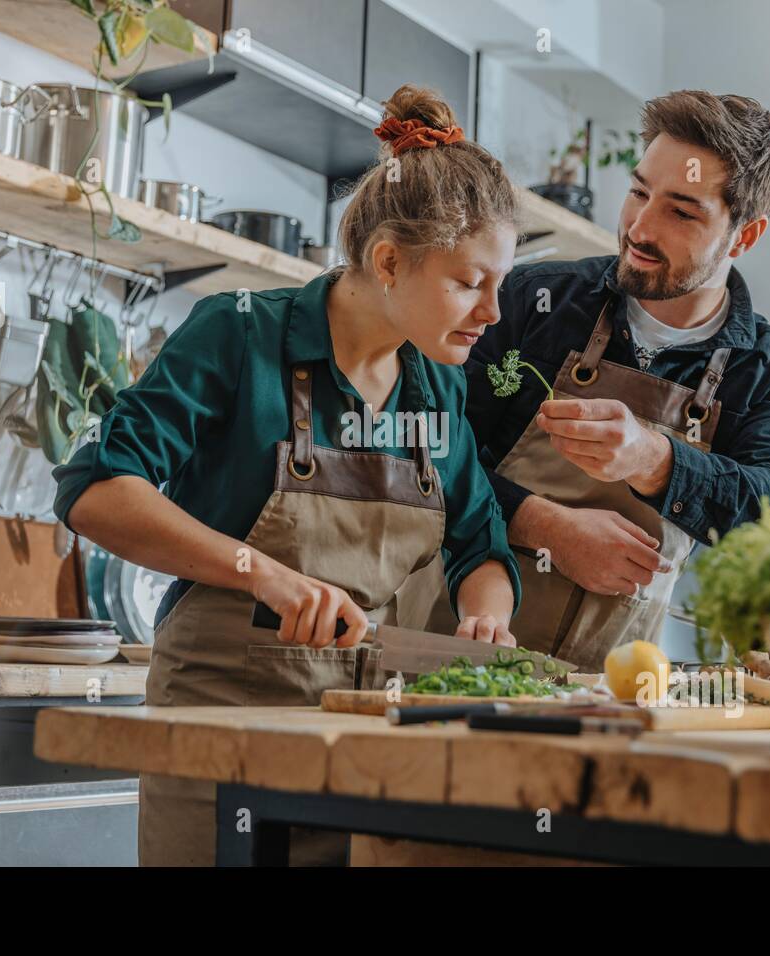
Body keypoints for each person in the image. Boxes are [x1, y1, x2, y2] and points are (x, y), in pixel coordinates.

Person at [51, 85, 523, 866]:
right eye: (471, 282)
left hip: (364, 739)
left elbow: (481, 542)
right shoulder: (237, 333)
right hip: (219, 726)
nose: (493, 312)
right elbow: (96, 491)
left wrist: (487, 617)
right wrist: (261, 573)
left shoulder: (435, 385)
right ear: (387, 261)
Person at [403, 90, 770, 672]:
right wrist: (542, 526)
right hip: (443, 656)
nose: (639, 229)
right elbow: (419, 448)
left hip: (607, 693)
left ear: (744, 236)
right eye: (638, 192)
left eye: (681, 211)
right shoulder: (532, 301)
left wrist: (655, 459)